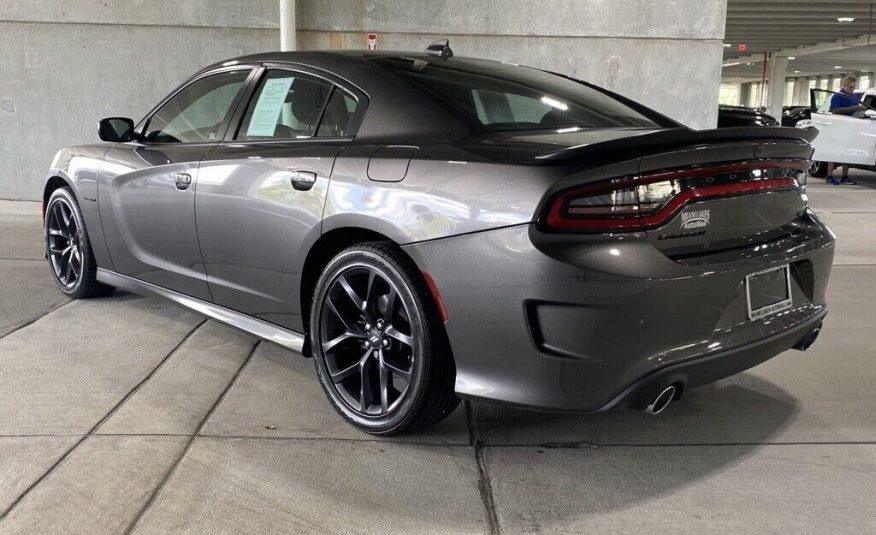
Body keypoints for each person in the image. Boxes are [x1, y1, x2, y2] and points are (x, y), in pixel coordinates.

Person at [825, 76, 867, 185]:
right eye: (850, 87)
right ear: (844, 85)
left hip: (850, 128)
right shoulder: (838, 96)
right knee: (833, 151)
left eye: (853, 87)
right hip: (837, 127)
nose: (852, 89)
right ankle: (829, 176)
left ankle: (845, 176)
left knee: (847, 152)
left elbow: (857, 112)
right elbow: (835, 110)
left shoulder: (855, 97)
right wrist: (855, 108)